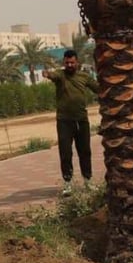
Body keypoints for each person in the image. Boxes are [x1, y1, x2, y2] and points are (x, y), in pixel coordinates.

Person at [42, 49, 97, 195]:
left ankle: (88, 181)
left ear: (77, 62)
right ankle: (68, 183)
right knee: (65, 152)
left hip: (82, 120)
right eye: (67, 62)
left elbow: (98, 88)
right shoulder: (60, 75)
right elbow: (53, 75)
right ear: (64, 63)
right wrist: (47, 74)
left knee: (85, 151)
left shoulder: (84, 76)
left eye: (72, 62)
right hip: (64, 121)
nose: (70, 65)